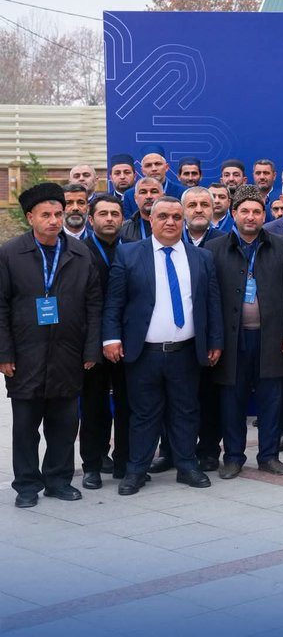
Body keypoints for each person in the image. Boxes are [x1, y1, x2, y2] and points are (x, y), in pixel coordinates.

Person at [102, 196, 223, 495]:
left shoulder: (201, 257)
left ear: (184, 221)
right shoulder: (129, 254)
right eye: (163, 217)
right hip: (143, 353)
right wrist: (111, 338)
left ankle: (186, 465)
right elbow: (114, 301)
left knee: (186, 411)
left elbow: (212, 303)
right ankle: (136, 470)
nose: (170, 222)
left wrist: (215, 341)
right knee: (143, 414)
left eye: (176, 217)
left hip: (186, 352)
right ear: (151, 220)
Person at [1, 183, 102, 508]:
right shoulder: (10, 253)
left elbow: (94, 304)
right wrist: (4, 352)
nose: (54, 220)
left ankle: (58, 480)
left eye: (58, 214)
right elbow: (1, 306)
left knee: (65, 424)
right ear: (30, 217)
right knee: (25, 427)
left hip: (68, 354)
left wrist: (91, 349)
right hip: (25, 354)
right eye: (46, 215)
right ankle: (27, 485)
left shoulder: (80, 252)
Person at [208, 185, 283, 479]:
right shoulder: (214, 248)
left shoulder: (281, 246)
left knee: (271, 401)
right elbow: (209, 299)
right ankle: (233, 457)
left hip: (270, 338)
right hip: (232, 340)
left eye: (257, 211)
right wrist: (214, 340)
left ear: (264, 215)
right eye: (245, 211)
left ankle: (269, 456)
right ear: (234, 213)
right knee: (231, 401)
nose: (251, 216)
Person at [79, 194, 128, 489]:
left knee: (127, 405)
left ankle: (124, 462)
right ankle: (92, 466)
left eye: (115, 214)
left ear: (122, 218)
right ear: (91, 219)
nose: (109, 218)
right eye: (103, 214)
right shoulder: (78, 252)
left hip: (128, 342)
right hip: (92, 343)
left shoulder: (133, 249)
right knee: (93, 407)